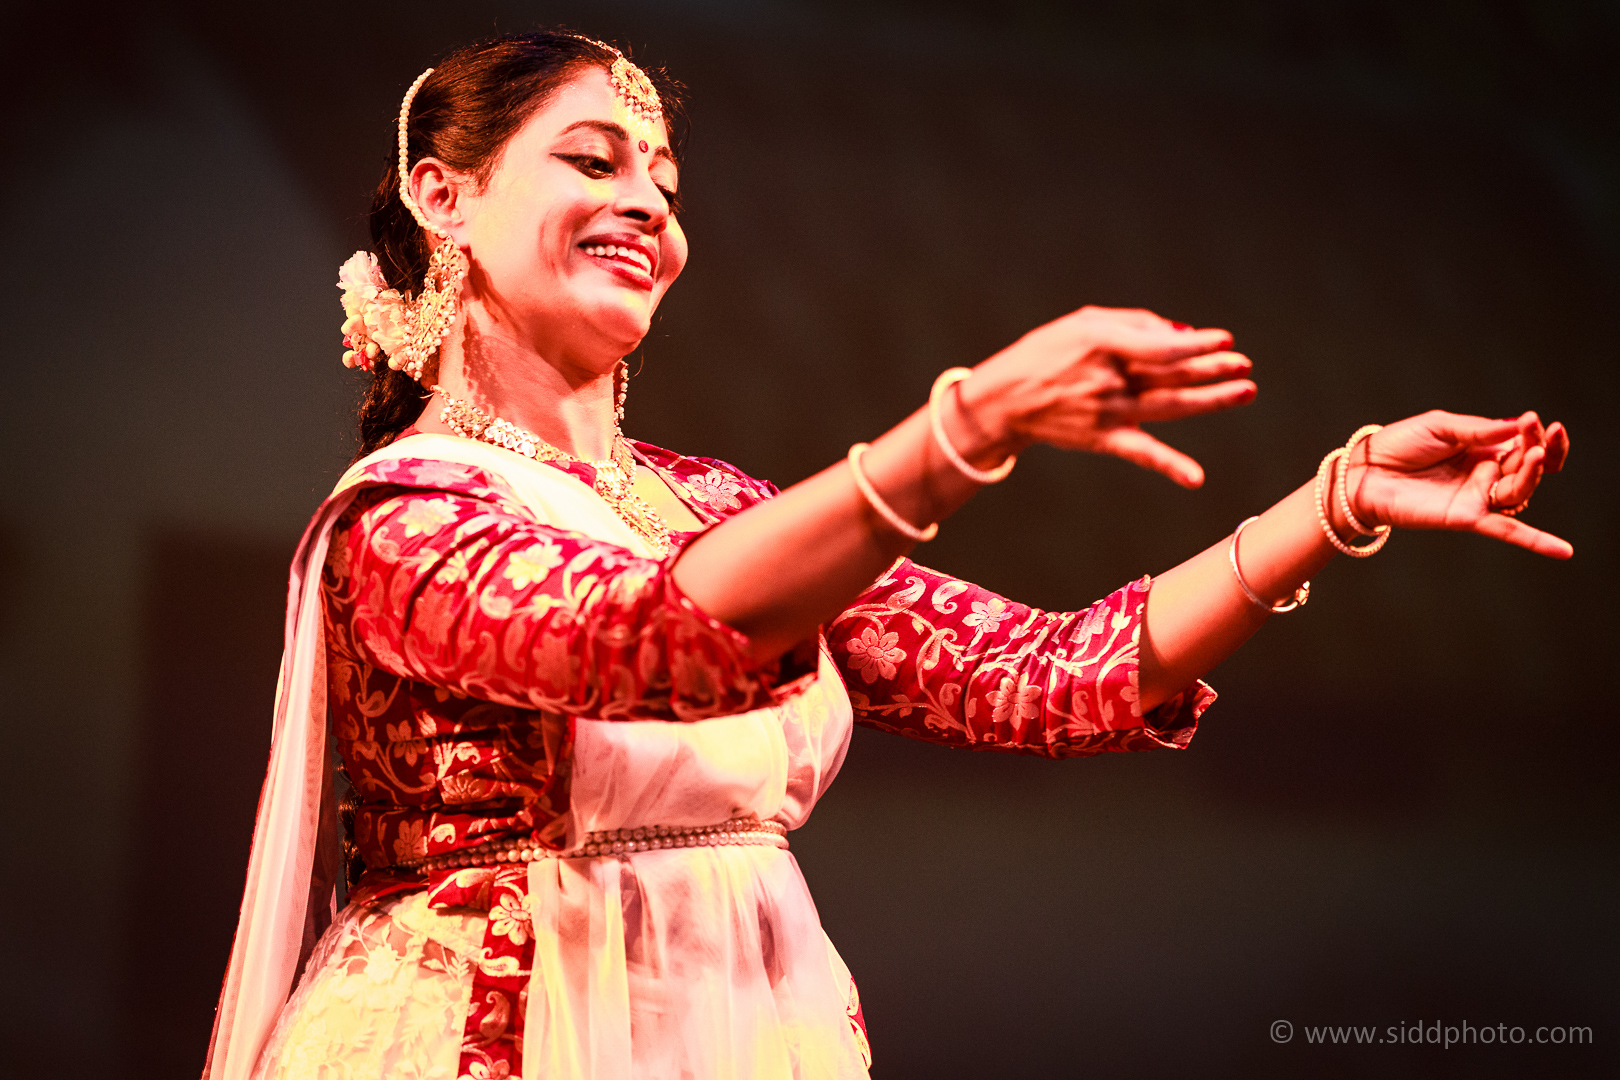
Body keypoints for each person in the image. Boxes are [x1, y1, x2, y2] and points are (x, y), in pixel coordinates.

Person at [204, 30, 1572, 1080]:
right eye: (595, 159)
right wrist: (965, 426)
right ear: (442, 195)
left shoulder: (710, 504)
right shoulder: (399, 521)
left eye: (668, 180)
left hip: (744, 1031)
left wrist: (1335, 505)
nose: (652, 207)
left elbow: (1048, 674)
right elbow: (654, 640)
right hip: (494, 1038)